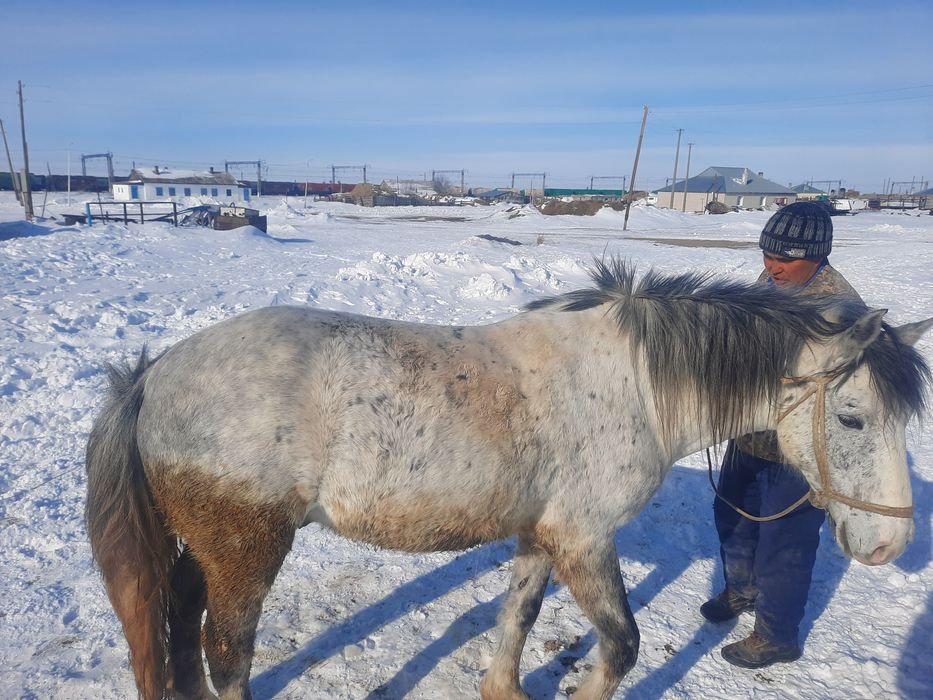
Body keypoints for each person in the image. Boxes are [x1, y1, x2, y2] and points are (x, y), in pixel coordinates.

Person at [701, 201, 863, 669]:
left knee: (784, 542)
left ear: (817, 255)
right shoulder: (774, 281)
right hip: (750, 433)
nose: (772, 267)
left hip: (798, 452)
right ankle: (742, 590)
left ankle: (777, 635)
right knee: (731, 515)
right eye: (767, 255)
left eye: (784, 259)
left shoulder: (839, 311)